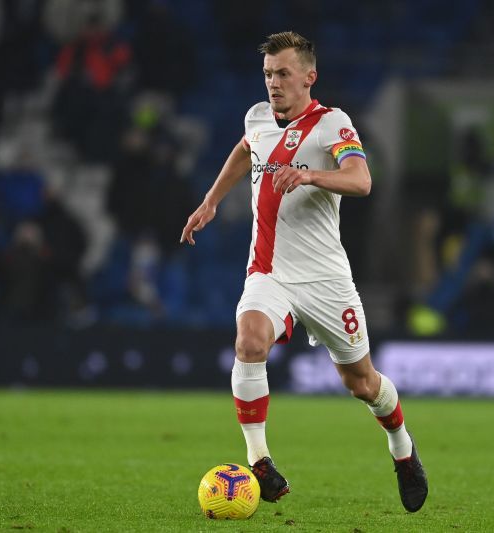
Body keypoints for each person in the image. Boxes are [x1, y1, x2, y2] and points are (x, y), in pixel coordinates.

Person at [180, 31, 428, 513]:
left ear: (309, 77)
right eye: (269, 74)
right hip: (269, 271)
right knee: (250, 341)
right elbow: (245, 149)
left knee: (363, 384)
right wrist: (211, 201)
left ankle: (402, 447)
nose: (274, 82)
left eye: (284, 74)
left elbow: (362, 180)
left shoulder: (331, 124)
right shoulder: (256, 116)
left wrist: (311, 174)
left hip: (325, 280)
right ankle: (260, 462)